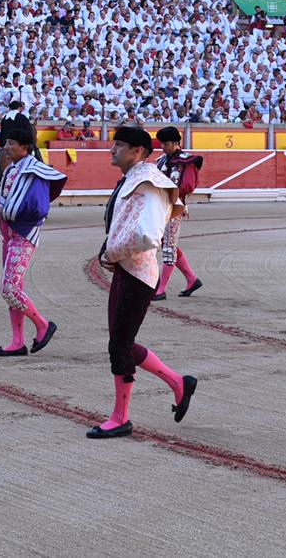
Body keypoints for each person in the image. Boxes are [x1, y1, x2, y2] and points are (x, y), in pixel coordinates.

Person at [88, 125, 196, 439]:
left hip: (138, 273)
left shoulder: (148, 183)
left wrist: (111, 252)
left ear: (138, 151)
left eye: (119, 145)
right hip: (130, 270)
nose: (112, 150)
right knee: (121, 342)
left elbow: (148, 233)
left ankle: (121, 417)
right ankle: (178, 383)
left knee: (119, 344)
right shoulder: (138, 179)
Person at [0, 123, 63, 357]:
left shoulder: (34, 172)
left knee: (9, 289)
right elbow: (0, 204)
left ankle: (43, 324)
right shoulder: (10, 171)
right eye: (6, 142)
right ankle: (17, 342)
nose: (6, 147)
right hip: (8, 237)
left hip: (24, 235)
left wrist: (6, 213)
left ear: (25, 147)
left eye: (11, 143)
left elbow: (38, 207)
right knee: (15, 289)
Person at [152, 127, 204, 301]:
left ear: (176, 143)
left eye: (166, 144)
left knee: (168, 247)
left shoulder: (186, 161)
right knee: (167, 243)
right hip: (160, 207)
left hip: (175, 207)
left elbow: (188, 187)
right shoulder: (161, 160)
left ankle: (161, 289)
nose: (163, 147)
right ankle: (192, 279)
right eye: (162, 144)